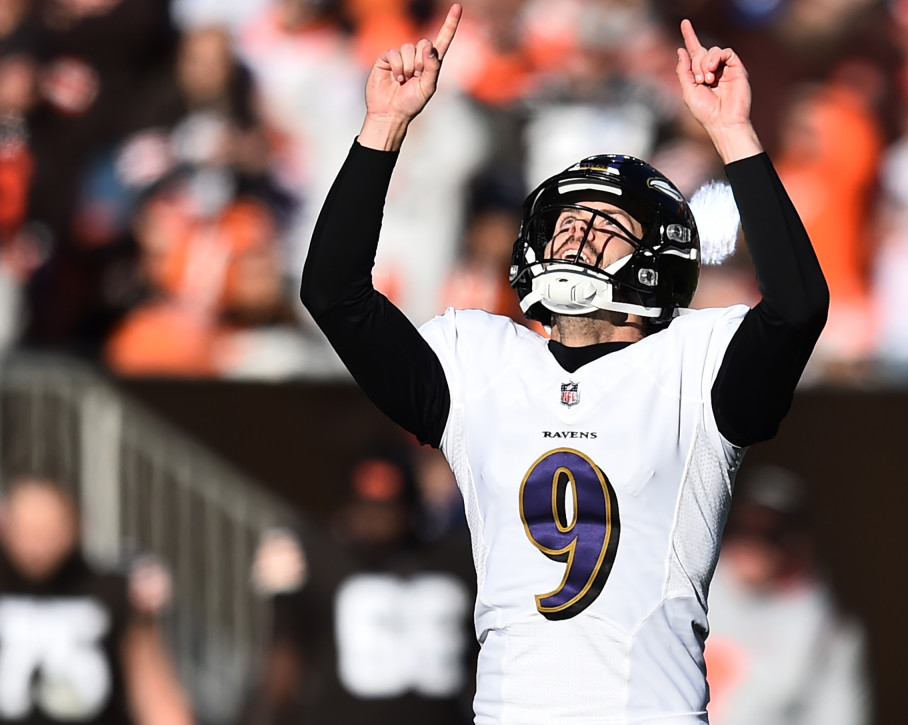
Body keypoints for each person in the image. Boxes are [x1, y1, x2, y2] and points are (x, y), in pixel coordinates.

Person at [299, 4, 829, 722]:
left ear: (657, 260)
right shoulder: (480, 361)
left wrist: (733, 133)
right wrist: (383, 127)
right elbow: (334, 293)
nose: (575, 233)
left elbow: (796, 307)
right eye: (565, 221)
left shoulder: (691, 367)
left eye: (604, 223)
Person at [241, 446, 476, 725]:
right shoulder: (311, 554)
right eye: (366, 507)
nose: (375, 521)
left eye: (387, 508)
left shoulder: (456, 559)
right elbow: (283, 662)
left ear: (410, 508)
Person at [0, 476, 192, 725]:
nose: (37, 544)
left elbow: (153, 690)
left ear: (75, 525)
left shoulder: (111, 592)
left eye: (47, 529)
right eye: (28, 529)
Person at [705, 466, 868, 725]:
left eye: (772, 533)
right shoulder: (687, 587)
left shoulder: (830, 630)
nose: (753, 543)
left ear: (799, 542)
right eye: (743, 526)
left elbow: (841, 716)